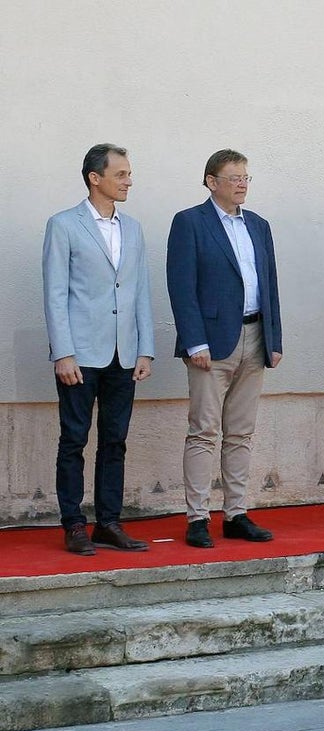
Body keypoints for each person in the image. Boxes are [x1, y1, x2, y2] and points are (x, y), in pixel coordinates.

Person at [167, 149, 282, 549]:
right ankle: (197, 517)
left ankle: (236, 513)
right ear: (211, 181)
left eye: (246, 177)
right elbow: (181, 287)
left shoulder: (259, 225)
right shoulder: (190, 223)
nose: (241, 184)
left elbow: (268, 283)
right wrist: (194, 340)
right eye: (234, 177)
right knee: (203, 430)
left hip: (255, 337)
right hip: (211, 343)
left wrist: (275, 337)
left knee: (241, 433)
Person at [42, 143, 155, 556]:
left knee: (115, 440)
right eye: (121, 174)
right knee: (73, 439)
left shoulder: (134, 228)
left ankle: (109, 522)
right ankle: (73, 523)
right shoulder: (64, 225)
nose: (129, 180)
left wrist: (146, 348)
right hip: (80, 353)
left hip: (123, 354)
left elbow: (140, 289)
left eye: (128, 173)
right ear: (96, 178)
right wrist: (63, 352)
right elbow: (55, 293)